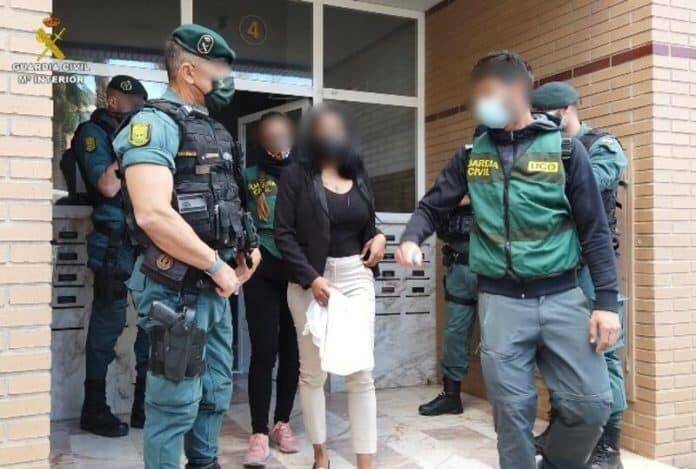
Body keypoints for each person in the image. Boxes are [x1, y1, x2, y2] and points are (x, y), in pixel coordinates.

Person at [395, 50, 621, 469]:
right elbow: (433, 206)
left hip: (562, 296)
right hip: (500, 303)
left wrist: (606, 302)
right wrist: (411, 237)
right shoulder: (471, 155)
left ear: (519, 91)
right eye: (478, 95)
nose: (481, 104)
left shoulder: (566, 151)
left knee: (592, 404)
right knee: (512, 414)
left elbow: (595, 230)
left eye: (489, 94)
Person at [113, 24, 261, 468]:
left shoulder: (213, 130)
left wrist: (247, 248)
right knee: (173, 406)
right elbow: (152, 214)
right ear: (190, 71)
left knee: (215, 393)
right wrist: (216, 266)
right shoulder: (153, 124)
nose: (227, 79)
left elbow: (229, 199)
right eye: (220, 69)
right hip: (174, 289)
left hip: (216, 288)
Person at [274, 104, 386, 469]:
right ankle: (320, 455)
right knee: (313, 373)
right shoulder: (295, 175)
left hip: (355, 276)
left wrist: (380, 237)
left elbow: (368, 224)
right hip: (311, 280)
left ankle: (365, 463)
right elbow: (283, 234)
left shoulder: (358, 171)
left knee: (361, 372)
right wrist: (312, 277)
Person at [532, 81, 628, 469]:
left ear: (567, 110)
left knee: (604, 351)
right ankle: (563, 430)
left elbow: (583, 185)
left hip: (591, 268)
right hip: (557, 267)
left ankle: (609, 446)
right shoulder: (544, 147)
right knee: (558, 350)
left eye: (546, 116)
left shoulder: (602, 146)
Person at [71, 75, 150, 437]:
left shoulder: (139, 137)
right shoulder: (93, 133)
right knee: (108, 323)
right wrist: (128, 140)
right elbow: (106, 185)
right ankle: (94, 408)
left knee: (151, 321)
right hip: (113, 245)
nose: (136, 111)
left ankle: (143, 406)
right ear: (113, 100)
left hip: (144, 242)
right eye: (132, 104)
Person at [242, 112, 300, 466]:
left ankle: (282, 423)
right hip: (261, 269)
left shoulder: (303, 173)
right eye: (271, 134)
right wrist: (247, 248)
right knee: (264, 350)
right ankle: (258, 432)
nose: (279, 141)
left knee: (292, 350)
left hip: (296, 270)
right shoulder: (248, 176)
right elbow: (239, 217)